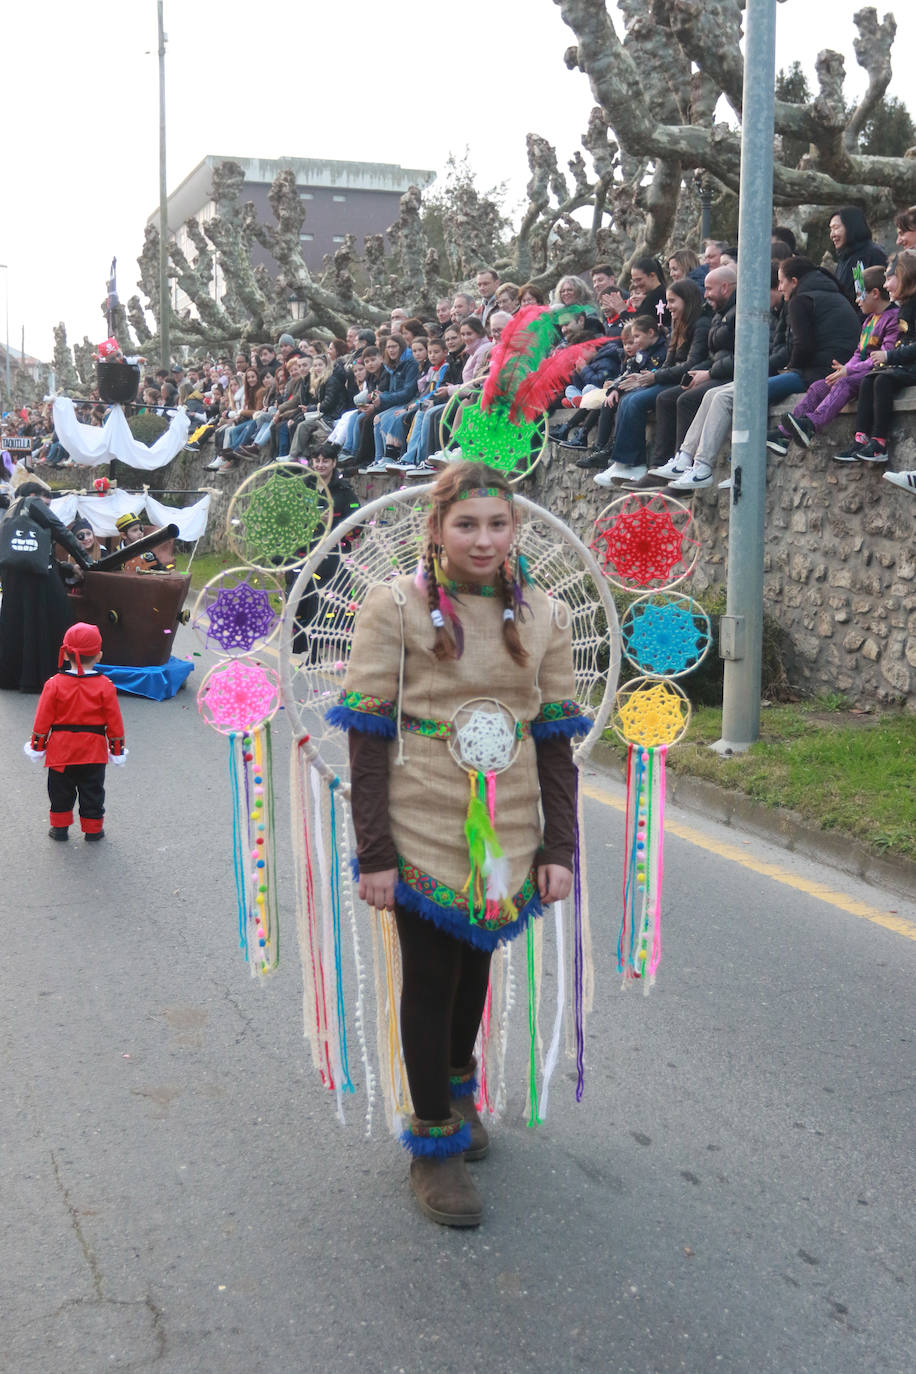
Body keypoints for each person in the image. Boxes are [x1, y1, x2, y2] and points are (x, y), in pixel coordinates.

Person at [326, 461, 587, 1228]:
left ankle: (459, 1085)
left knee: (476, 963)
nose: (482, 539)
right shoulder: (394, 608)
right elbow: (367, 737)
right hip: (420, 818)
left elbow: (555, 742)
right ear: (434, 529)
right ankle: (432, 1147)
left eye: (497, 524)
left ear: (517, 532)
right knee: (432, 976)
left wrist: (559, 848)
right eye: (465, 524)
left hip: (508, 822)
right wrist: (374, 852)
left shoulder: (543, 614)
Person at [766, 265, 899, 454]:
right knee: (819, 386)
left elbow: (883, 356)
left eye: (860, 295)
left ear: (875, 293)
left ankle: (811, 424)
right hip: (856, 370)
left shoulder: (892, 318)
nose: (856, 300)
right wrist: (845, 368)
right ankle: (782, 434)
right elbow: (858, 352)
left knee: (843, 383)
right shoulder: (869, 321)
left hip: (874, 374)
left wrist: (850, 371)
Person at [25, 621, 126, 841]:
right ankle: (93, 830)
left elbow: (42, 720)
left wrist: (37, 747)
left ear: (67, 653)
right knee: (93, 792)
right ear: (98, 656)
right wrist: (117, 750)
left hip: (61, 752)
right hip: (93, 752)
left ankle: (59, 829)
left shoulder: (54, 684)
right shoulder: (105, 685)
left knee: (60, 792)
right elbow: (114, 722)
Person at [0, 478, 92, 692]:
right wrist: (86, 561)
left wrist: (67, 568)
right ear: (33, 496)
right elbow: (61, 531)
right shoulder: (33, 504)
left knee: (17, 625)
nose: (47, 509)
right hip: (38, 579)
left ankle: (14, 677)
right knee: (55, 618)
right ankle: (47, 674)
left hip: (14, 578)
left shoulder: (9, 512)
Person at [836, 251, 916, 465]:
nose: (886, 284)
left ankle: (879, 442)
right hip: (904, 362)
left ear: (906, 276)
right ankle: (861, 439)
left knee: (882, 380)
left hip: (911, 365)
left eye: (890, 278)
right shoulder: (904, 308)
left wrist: (889, 355)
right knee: (869, 379)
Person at [827, 207, 887, 307]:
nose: (832, 235)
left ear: (851, 227)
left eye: (836, 228)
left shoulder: (872, 254)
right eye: (831, 229)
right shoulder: (845, 257)